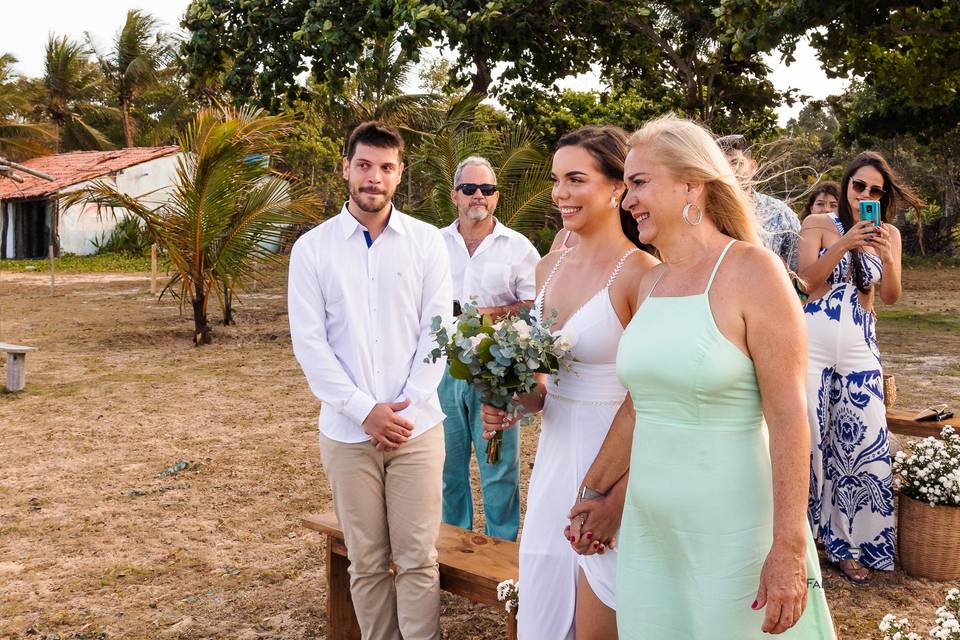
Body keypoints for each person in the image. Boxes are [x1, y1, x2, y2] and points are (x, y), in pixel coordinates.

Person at [571, 115, 836, 639]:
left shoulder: (754, 272)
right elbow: (639, 405)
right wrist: (595, 490)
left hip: (734, 531)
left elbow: (788, 417)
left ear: (692, 183)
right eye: (626, 187)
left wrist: (788, 549)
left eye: (640, 184)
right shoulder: (652, 282)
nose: (627, 202)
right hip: (652, 532)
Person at [482, 125, 658, 640]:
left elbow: (651, 400)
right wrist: (514, 396)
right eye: (557, 180)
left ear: (616, 187)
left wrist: (616, 498)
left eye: (575, 179)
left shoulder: (641, 273)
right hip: (555, 457)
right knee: (545, 600)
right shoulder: (548, 267)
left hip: (614, 458)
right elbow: (542, 387)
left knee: (602, 617)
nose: (560, 193)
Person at [288, 121, 452, 640]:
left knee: (419, 560)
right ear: (346, 169)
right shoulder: (312, 249)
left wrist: (404, 407)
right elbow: (311, 346)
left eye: (385, 167)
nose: (373, 177)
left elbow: (438, 331)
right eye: (364, 165)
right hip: (347, 433)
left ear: (400, 174)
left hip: (416, 429)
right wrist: (365, 410)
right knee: (366, 562)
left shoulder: (427, 243)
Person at [797, 151, 922, 584]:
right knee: (810, 439)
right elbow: (806, 281)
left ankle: (853, 544)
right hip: (811, 342)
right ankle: (803, 539)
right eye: (859, 186)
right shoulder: (818, 225)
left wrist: (886, 257)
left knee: (861, 444)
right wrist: (846, 241)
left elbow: (890, 297)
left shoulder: (889, 234)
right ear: (846, 184)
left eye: (875, 191)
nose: (865, 195)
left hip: (859, 346)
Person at [439, 156, 540, 541]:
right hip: (443, 370)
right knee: (448, 465)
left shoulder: (519, 248)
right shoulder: (433, 243)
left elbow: (535, 307)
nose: (478, 195)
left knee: (499, 468)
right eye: (469, 188)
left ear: (496, 198)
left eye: (487, 189)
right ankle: (452, 543)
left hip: (495, 371)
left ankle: (502, 548)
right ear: (455, 195)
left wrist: (487, 316)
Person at [717, 133, 801, 270]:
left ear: (753, 166)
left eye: (735, 162)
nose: (730, 171)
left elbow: (797, 271)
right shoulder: (705, 213)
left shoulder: (779, 213)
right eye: (721, 165)